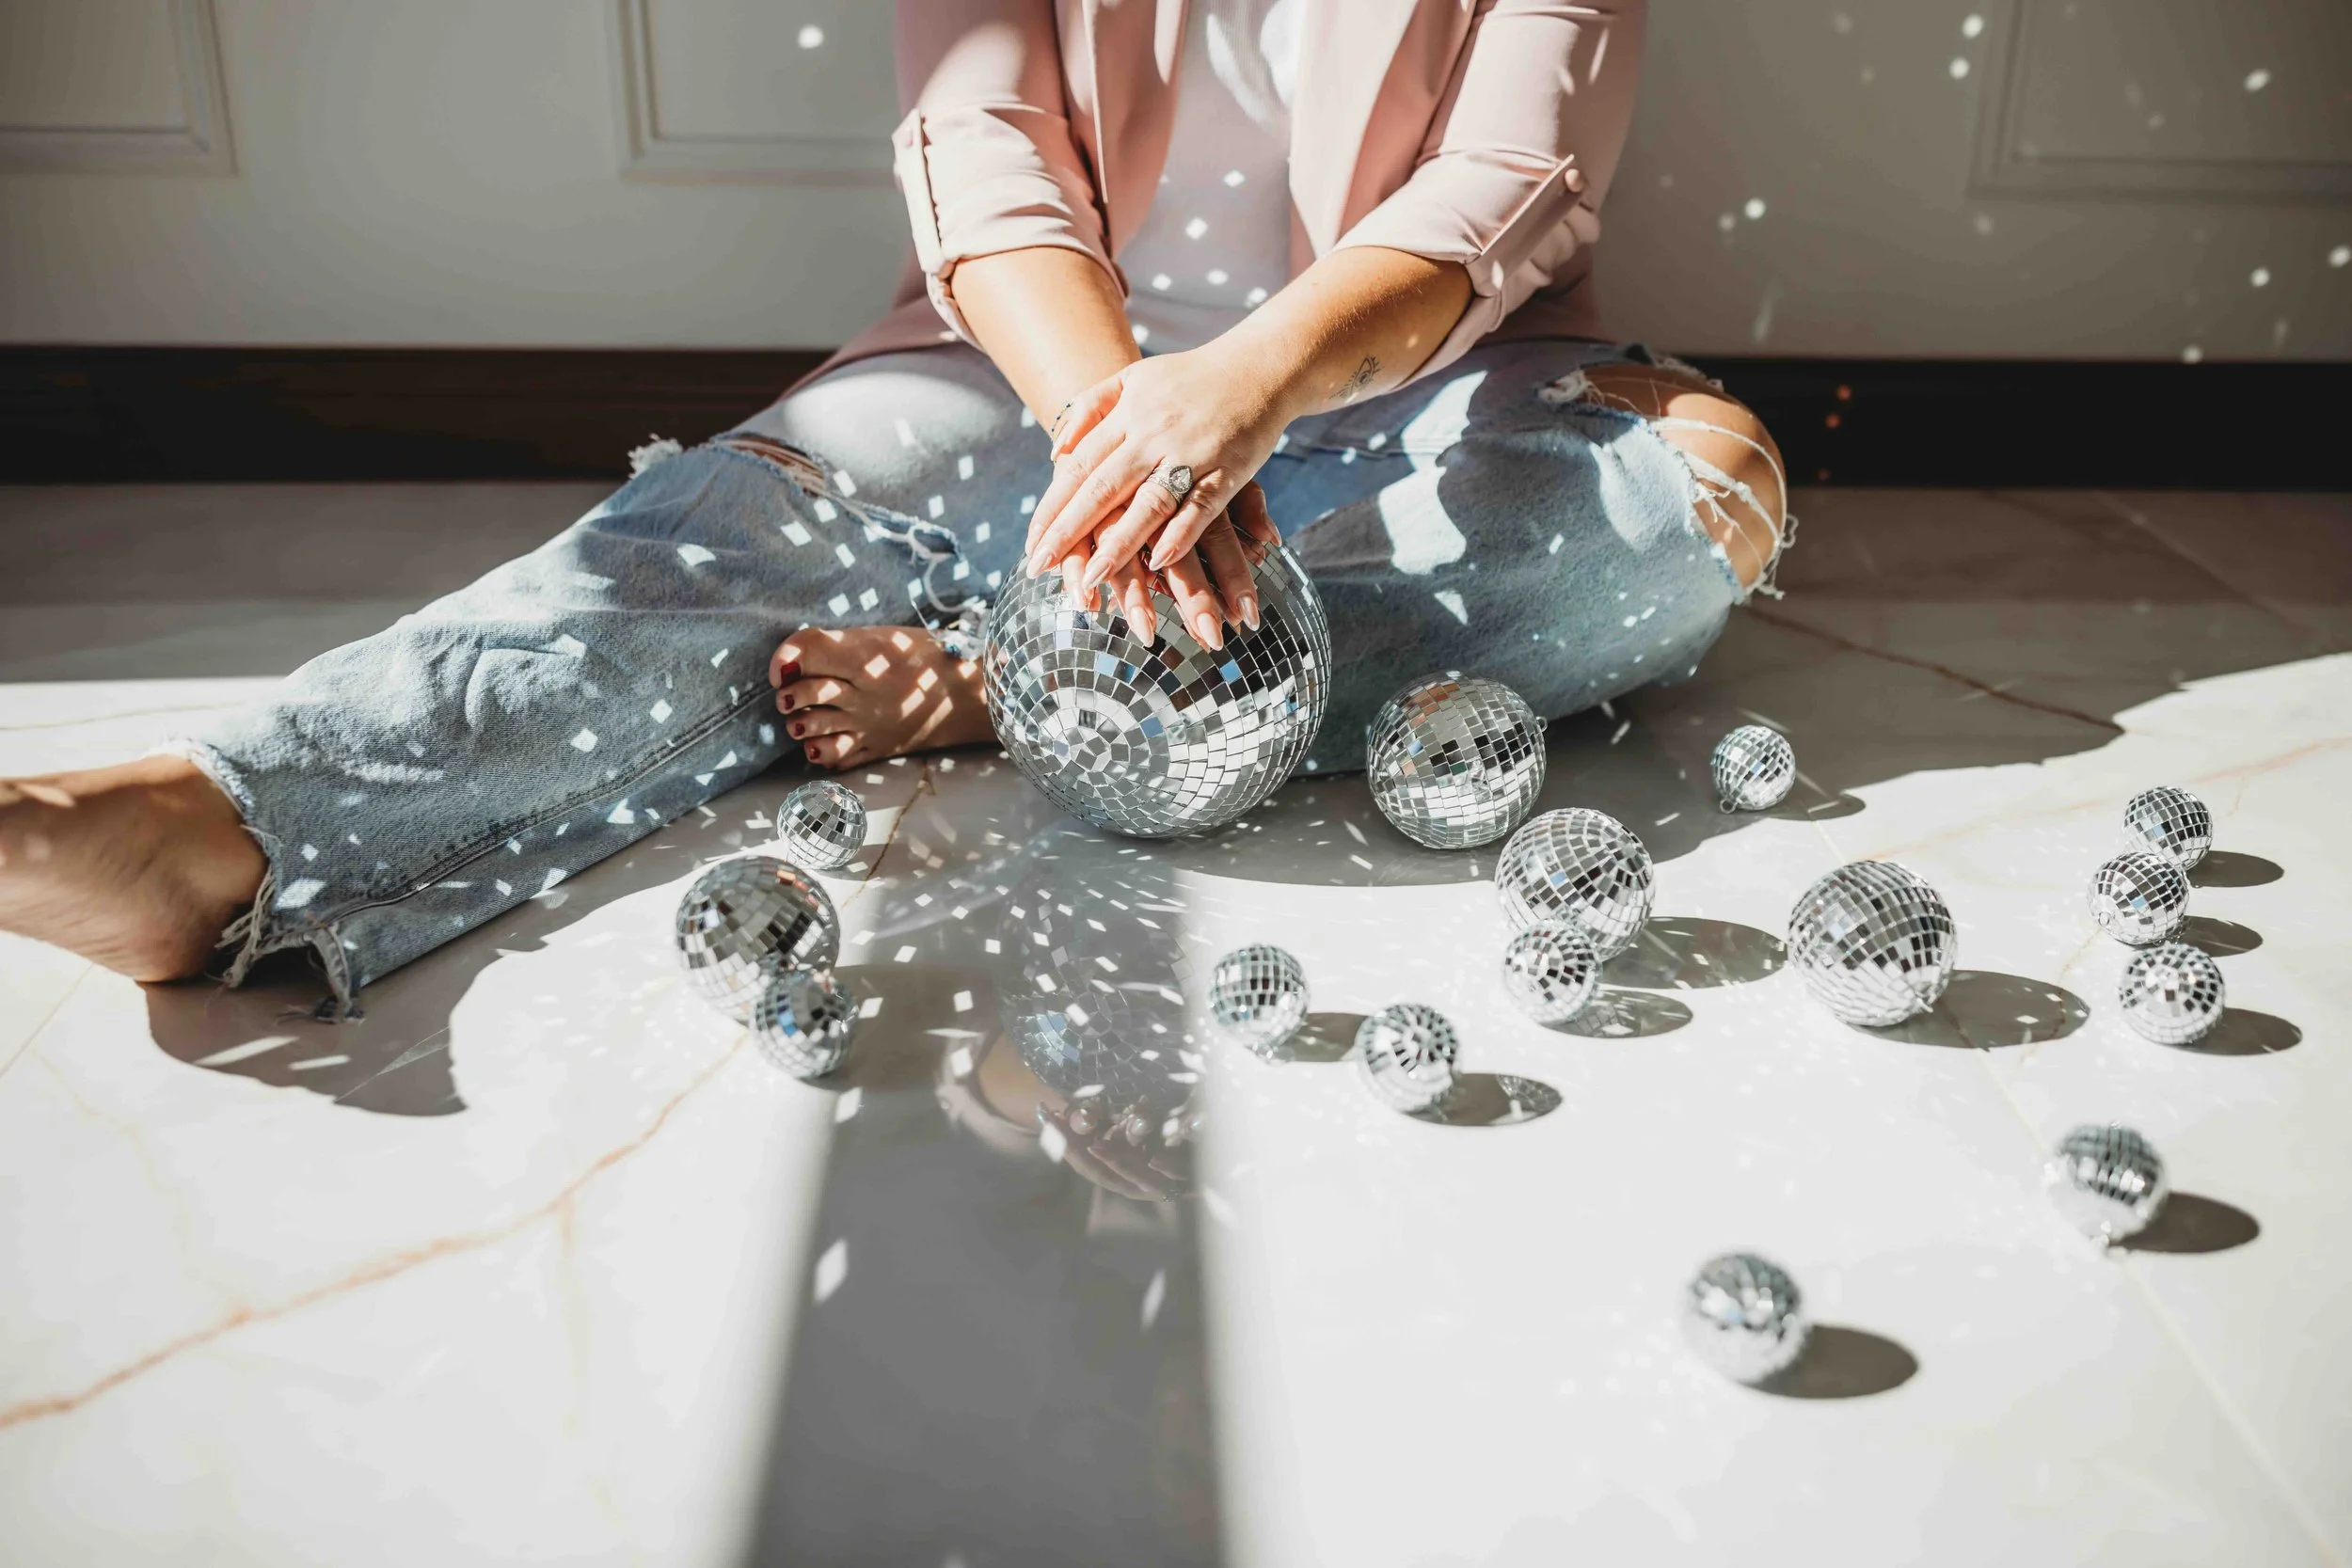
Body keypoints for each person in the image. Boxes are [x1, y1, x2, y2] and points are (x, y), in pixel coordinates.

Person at [0, 0, 1785, 1016]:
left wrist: (1239, 400)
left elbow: (1511, 186)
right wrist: (1139, 446)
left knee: (1694, 494)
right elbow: (977, 144)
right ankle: (230, 817)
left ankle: (1010, 672)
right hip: (1032, 381)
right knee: (712, 542)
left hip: (1405, 392)